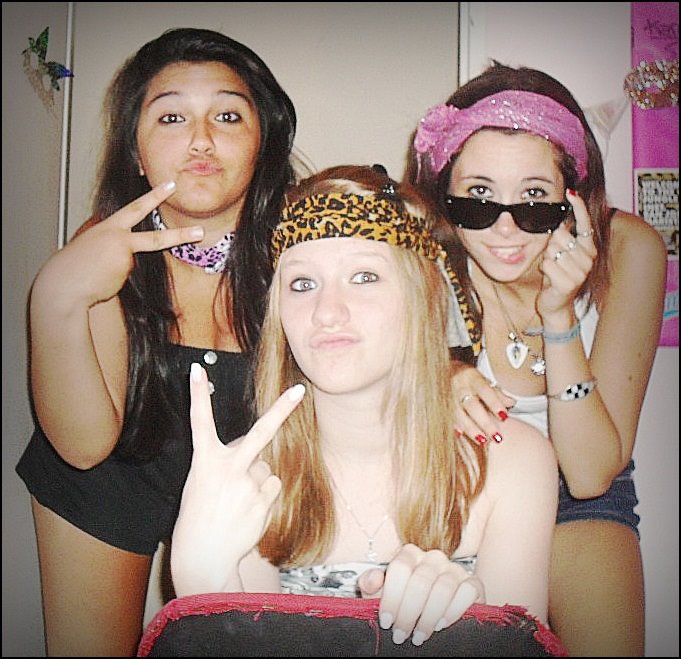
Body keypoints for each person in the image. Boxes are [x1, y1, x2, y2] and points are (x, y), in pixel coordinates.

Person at [169, 165, 559, 648]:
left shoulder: (512, 461)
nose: (327, 312)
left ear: (423, 298)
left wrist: (477, 634)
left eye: (364, 276)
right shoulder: (245, 478)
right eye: (302, 284)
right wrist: (203, 585)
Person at [16, 27, 298, 656]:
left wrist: (454, 369)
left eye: (228, 116)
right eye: (171, 117)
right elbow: (85, 448)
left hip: (255, 475)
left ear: (264, 144)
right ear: (137, 154)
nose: (201, 139)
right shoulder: (100, 248)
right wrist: (56, 297)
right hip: (111, 470)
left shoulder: (303, 249)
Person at [405, 62, 667, 656]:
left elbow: (591, 473)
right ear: (445, 193)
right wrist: (441, 372)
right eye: (478, 197)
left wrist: (559, 316)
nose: (505, 228)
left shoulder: (629, 250)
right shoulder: (425, 255)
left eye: (533, 199)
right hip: (463, 478)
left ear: (572, 197)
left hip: (579, 492)